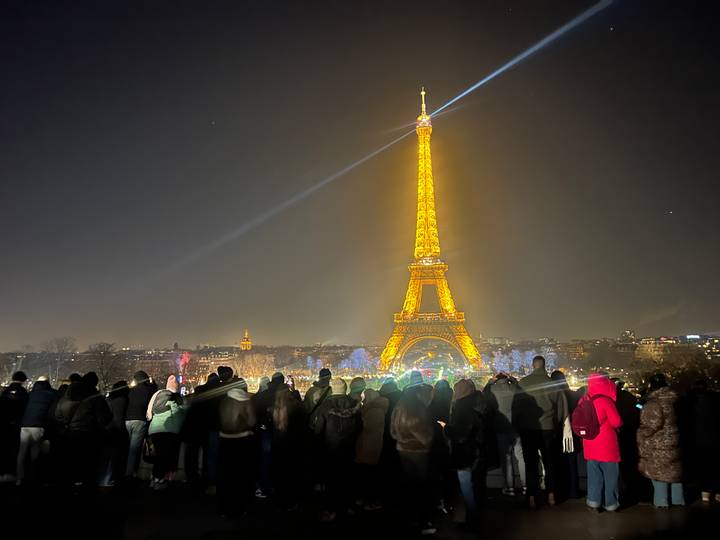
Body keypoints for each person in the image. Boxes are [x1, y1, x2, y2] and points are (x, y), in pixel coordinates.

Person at [515, 355, 571, 508]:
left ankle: (532, 497)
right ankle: (551, 494)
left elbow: (516, 409)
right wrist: (554, 423)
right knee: (549, 462)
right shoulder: (553, 384)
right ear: (544, 366)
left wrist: (518, 425)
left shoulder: (523, 383)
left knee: (531, 465)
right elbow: (561, 411)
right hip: (547, 429)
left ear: (533, 366)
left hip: (528, 429)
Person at [442, 379, 489, 531]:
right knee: (477, 488)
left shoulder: (462, 407)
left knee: (467, 490)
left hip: (466, 454)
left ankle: (472, 522)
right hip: (477, 452)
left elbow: (461, 435)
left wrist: (446, 428)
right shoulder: (479, 403)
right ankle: (476, 519)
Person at [391, 381, 436, 535]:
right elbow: (425, 435)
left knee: (409, 485)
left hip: (402, 450)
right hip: (419, 452)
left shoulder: (399, 406)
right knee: (422, 486)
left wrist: (402, 440)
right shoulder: (418, 408)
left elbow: (393, 431)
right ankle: (423, 521)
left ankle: (410, 519)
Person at [313, 377, 361, 521]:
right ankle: (348, 506)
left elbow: (318, 430)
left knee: (332, 480)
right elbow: (360, 427)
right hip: (349, 447)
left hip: (331, 449)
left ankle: (331, 510)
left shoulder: (325, 406)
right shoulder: (354, 404)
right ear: (345, 388)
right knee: (348, 478)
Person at [637, 374, 684, 508]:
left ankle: (662, 502)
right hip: (675, 441)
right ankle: (678, 500)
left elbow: (651, 425)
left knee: (659, 473)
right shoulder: (676, 399)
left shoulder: (654, 403)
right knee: (674, 472)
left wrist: (640, 434)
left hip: (658, 444)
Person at [581, 373, 623, 512]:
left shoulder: (584, 400)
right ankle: (611, 503)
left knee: (594, 476)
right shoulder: (605, 401)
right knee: (611, 476)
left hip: (590, 443)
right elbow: (616, 422)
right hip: (607, 446)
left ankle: (593, 502)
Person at [217, 378, 256, 517]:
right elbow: (252, 421)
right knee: (241, 475)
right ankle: (240, 508)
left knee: (225, 476)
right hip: (241, 440)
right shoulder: (246, 401)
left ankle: (224, 508)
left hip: (224, 440)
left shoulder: (224, 401)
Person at [66, 372, 113, 488]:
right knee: (88, 462)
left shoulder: (70, 393)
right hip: (88, 432)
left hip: (71, 431)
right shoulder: (95, 397)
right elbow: (104, 417)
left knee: (73, 461)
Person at [486, 373, 526, 496]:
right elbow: (522, 390)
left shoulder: (493, 389)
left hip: (501, 428)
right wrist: (513, 380)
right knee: (521, 458)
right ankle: (525, 486)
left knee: (506, 459)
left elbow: (484, 397)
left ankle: (509, 488)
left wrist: (489, 383)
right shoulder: (513, 388)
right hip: (516, 428)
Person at [147, 375, 186, 490]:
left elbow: (149, 412)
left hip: (154, 430)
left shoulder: (157, 394)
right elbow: (179, 414)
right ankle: (159, 480)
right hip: (169, 430)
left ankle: (154, 479)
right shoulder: (176, 397)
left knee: (158, 457)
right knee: (165, 457)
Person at [684, 380, 720, 503]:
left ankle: (705, 492)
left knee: (702, 467)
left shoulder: (688, 402)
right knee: (714, 466)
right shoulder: (715, 400)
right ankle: (716, 492)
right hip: (714, 439)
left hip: (697, 439)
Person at [271, 384, 307, 510]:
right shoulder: (297, 407)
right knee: (292, 475)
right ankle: (291, 501)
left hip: (278, 446)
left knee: (280, 474)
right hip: (293, 446)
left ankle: (280, 500)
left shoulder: (275, 408)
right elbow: (303, 427)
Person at [16, 376, 56, 486]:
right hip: (39, 426)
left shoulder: (30, 394)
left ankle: (19, 479)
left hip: (25, 425)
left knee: (21, 453)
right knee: (35, 452)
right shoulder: (51, 395)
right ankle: (33, 477)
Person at [354, 387, 389, 510]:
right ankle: (366, 498)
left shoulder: (375, 411)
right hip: (370, 445)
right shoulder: (374, 410)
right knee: (367, 474)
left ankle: (368, 500)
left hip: (370, 446)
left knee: (368, 475)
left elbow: (368, 429)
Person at [551, 370, 581, 499]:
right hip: (571, 434)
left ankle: (560, 489)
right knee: (571, 463)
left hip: (557, 434)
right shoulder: (572, 395)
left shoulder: (553, 396)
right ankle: (573, 490)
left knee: (557, 463)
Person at [124, 370, 156, 478]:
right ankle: (130, 473)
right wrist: (152, 383)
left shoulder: (130, 390)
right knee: (134, 449)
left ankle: (123, 470)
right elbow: (154, 391)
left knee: (127, 448)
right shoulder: (148, 390)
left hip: (127, 420)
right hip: (140, 420)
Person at [0, 371, 29, 482]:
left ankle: (3, 472)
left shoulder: (5, 391)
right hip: (17, 424)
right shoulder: (24, 392)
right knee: (15, 450)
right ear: (23, 380)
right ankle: (12, 474)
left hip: (4, 424)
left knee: (4, 449)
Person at [104, 380, 129, 486]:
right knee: (117, 458)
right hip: (117, 432)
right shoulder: (122, 400)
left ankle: (106, 480)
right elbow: (119, 419)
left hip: (107, 430)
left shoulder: (108, 399)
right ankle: (111, 480)